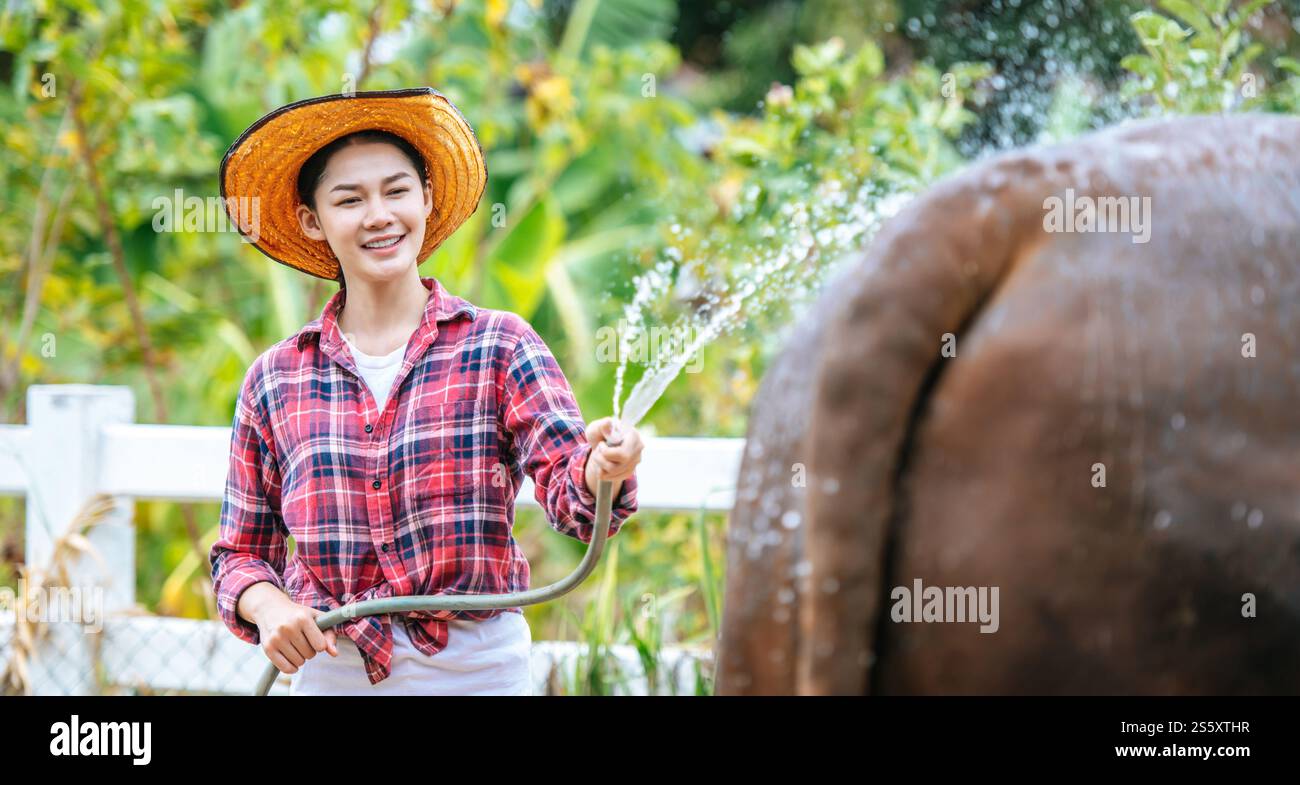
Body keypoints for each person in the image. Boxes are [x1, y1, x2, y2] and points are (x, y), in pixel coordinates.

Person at [208, 88, 643, 695]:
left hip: (479, 675)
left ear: (427, 198)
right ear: (313, 220)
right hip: (335, 676)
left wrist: (602, 468)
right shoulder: (275, 379)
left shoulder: (500, 346)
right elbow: (238, 555)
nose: (378, 215)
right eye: (349, 199)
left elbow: (574, 500)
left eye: (396, 190)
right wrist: (270, 607)